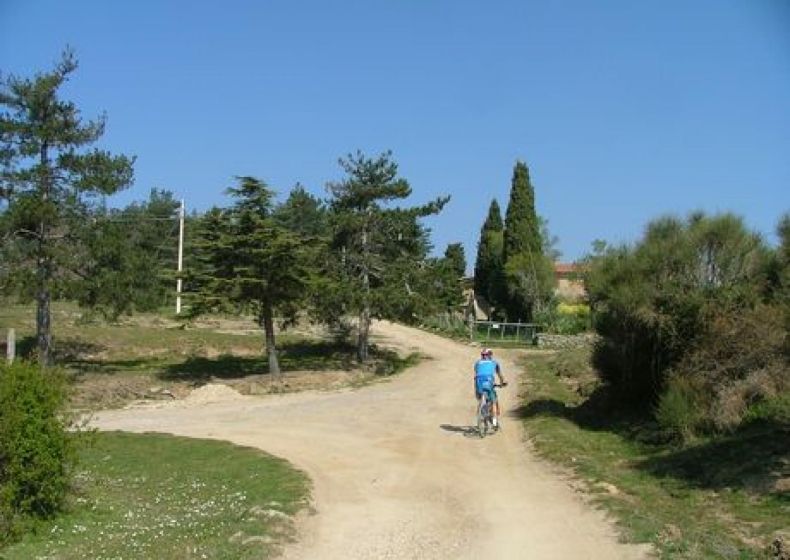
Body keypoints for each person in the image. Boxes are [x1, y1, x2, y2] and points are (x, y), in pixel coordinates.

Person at [474, 348, 507, 429]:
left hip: (478, 382)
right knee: (494, 401)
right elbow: (500, 374)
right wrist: (503, 382)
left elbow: (476, 373)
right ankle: (495, 422)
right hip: (488, 381)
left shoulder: (477, 363)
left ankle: (481, 409)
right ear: (490, 355)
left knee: (479, 396)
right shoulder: (494, 362)